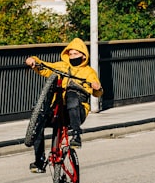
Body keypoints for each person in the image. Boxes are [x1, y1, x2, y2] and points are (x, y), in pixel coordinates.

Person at [25, 38, 103, 173]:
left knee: (72, 94)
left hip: (76, 113)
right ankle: (39, 160)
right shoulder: (62, 66)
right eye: (71, 54)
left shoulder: (88, 72)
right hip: (58, 110)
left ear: (83, 56)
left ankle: (76, 134)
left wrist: (96, 87)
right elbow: (44, 67)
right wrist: (33, 61)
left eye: (76, 54)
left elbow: (97, 91)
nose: (73, 57)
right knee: (39, 121)